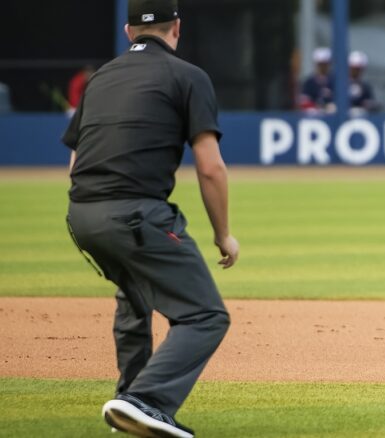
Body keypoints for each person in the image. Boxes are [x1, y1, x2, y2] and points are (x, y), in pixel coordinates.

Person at [62, 0, 237, 436]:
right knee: (205, 316)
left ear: (128, 32)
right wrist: (224, 235)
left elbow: (74, 163)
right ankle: (146, 400)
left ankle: (128, 403)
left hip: (81, 215)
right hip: (135, 213)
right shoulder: (188, 76)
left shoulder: (99, 78)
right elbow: (211, 166)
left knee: (135, 294)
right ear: (176, 27)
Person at [298, 47, 335, 114]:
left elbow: (341, 101)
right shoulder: (309, 82)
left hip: (332, 116)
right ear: (316, 64)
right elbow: (304, 102)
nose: (323, 67)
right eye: (320, 64)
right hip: (313, 118)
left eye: (325, 64)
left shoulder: (334, 81)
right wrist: (317, 107)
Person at [347, 50, 377, 116]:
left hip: (362, 116)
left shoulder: (365, 86)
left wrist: (368, 104)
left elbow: (370, 101)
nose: (356, 71)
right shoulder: (342, 85)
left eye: (358, 69)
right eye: (354, 68)